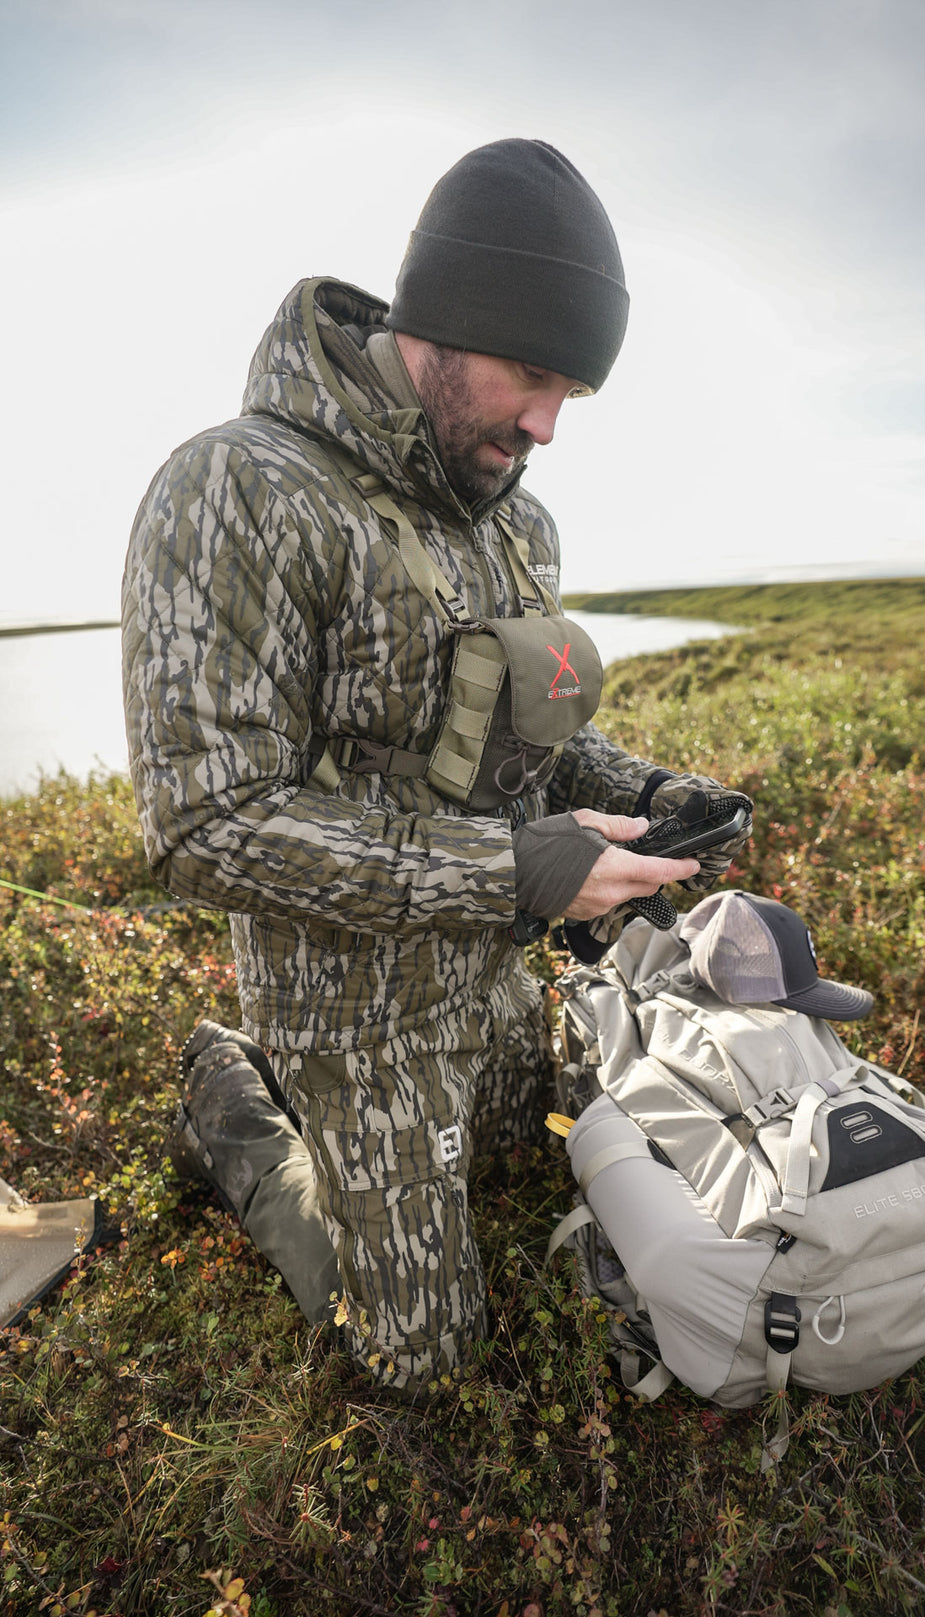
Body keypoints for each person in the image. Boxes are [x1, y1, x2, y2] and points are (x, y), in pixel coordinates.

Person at [121, 138, 751, 1389]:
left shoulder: (519, 518)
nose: (548, 426)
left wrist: (643, 799)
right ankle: (236, 1108)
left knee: (556, 1154)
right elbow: (205, 821)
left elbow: (534, 743)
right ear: (443, 323)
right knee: (420, 1362)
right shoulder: (240, 489)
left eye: (574, 392)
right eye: (532, 375)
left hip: (489, 982)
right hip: (348, 1016)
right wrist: (514, 874)